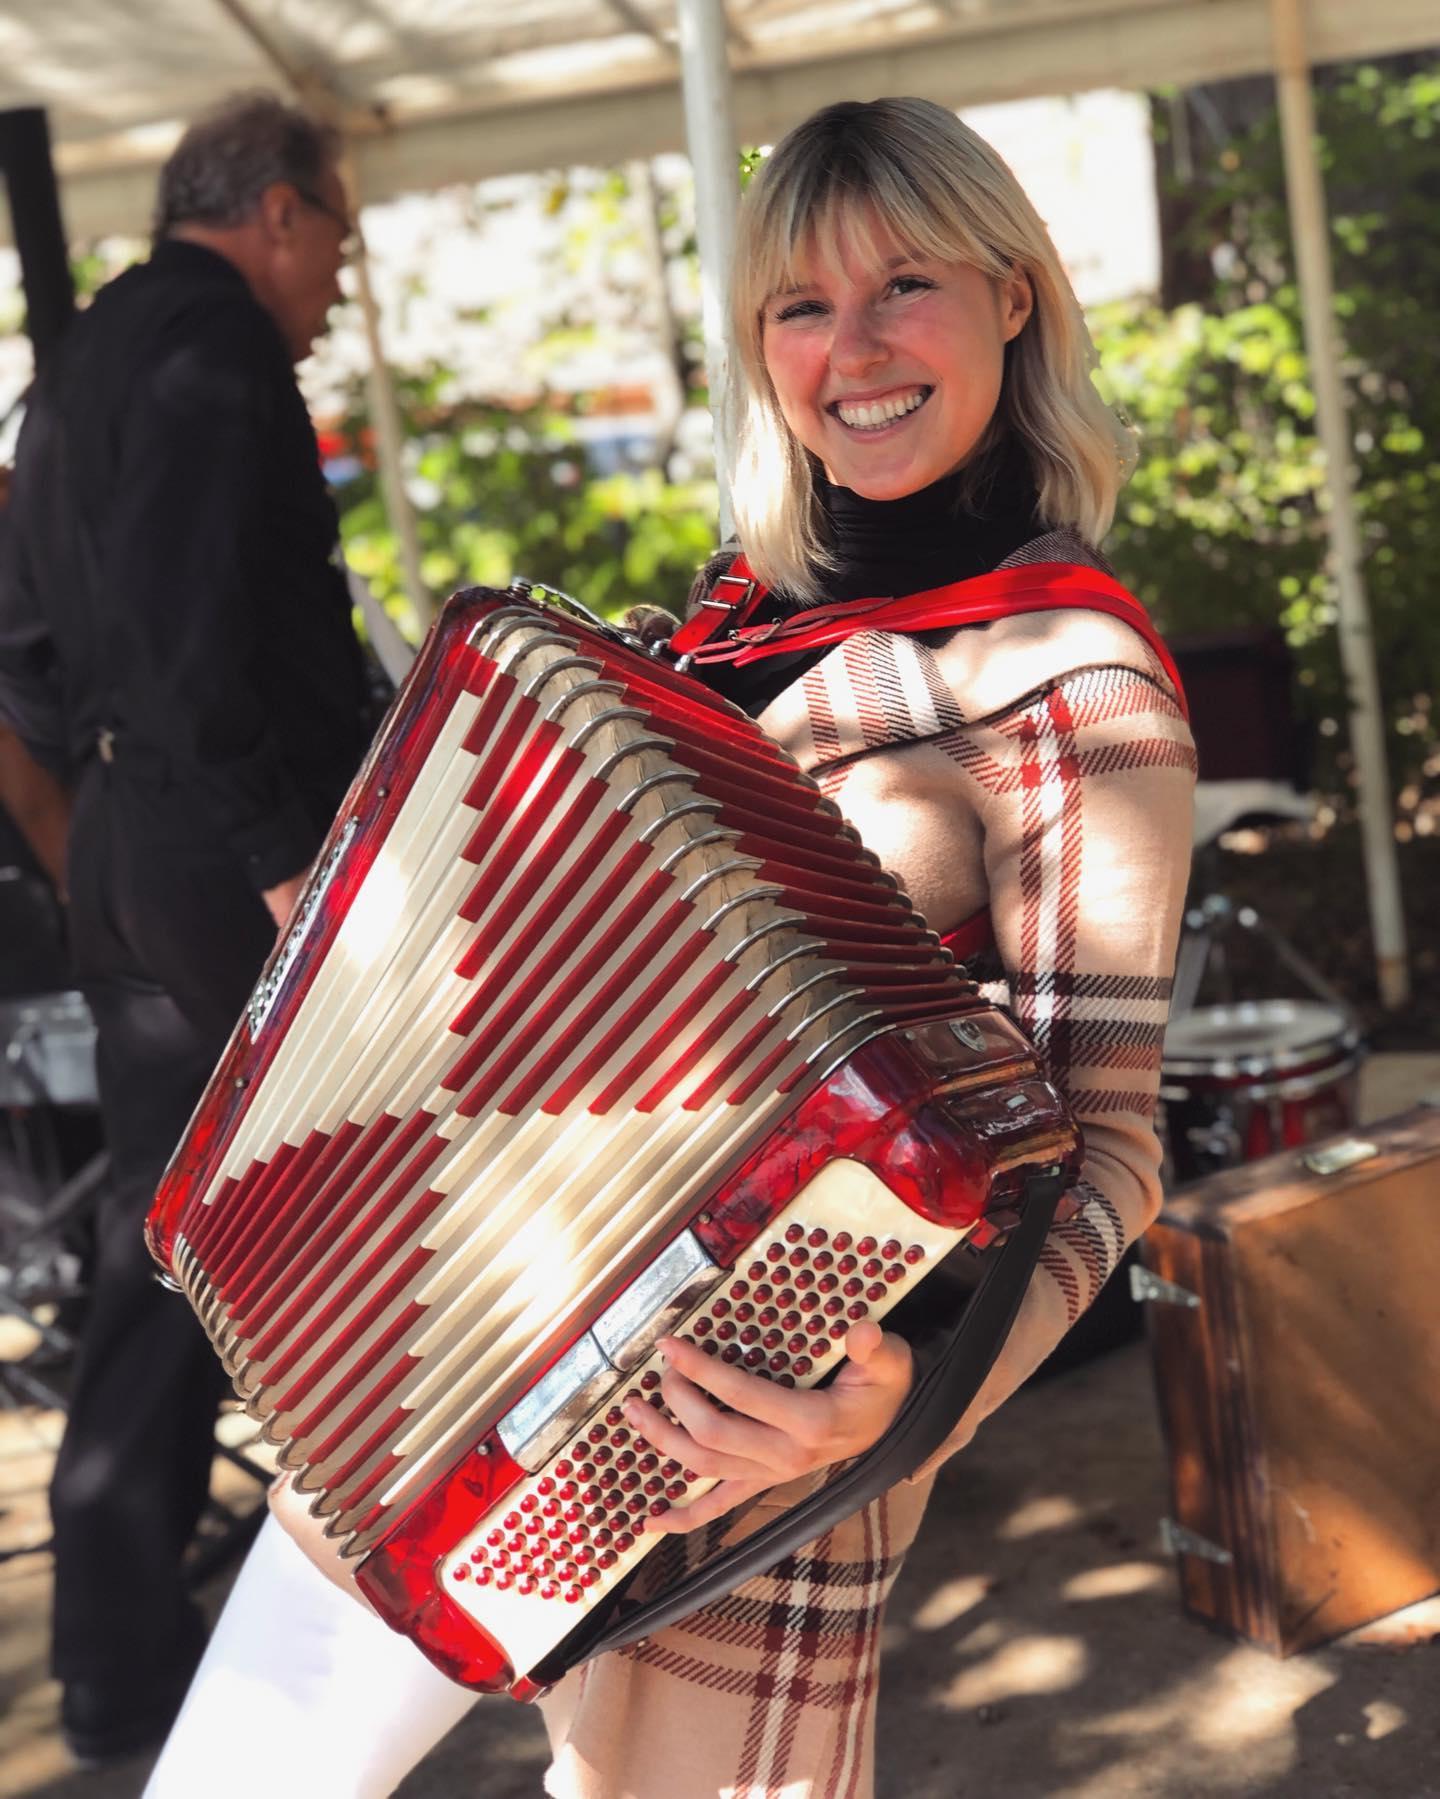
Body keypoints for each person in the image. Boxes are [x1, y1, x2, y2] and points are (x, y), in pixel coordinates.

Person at [148, 95, 1195, 1799]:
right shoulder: (725, 624)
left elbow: (1113, 1153)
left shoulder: (1071, 680)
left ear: (1013, 296)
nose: (853, 349)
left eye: (905, 285)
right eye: (801, 306)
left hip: (747, 1439)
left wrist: (904, 1406)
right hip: (436, 1359)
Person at [0, 91, 375, 1765]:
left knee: (169, 1241)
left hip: (128, 844)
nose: (338, 281)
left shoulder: (74, 363)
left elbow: (27, 650)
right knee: (343, 1191)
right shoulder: (212, 352)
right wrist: (281, 859)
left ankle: (116, 1654)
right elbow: (196, 633)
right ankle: (405, 1568)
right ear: (278, 211)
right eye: (336, 237)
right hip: (225, 853)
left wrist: (103, 822)